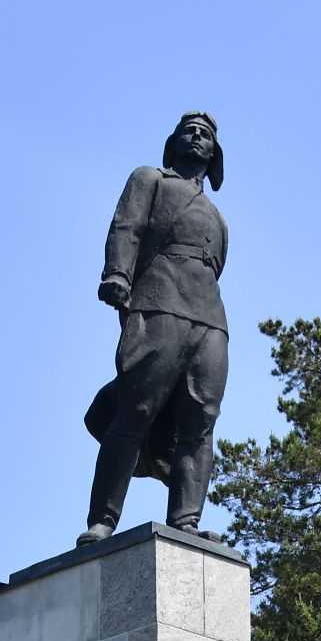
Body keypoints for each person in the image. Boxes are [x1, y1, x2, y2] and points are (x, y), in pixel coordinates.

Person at [79, 112, 229, 545]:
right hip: (160, 303)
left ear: (215, 155)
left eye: (206, 135)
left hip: (209, 319)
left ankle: (185, 521)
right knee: (137, 409)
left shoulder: (219, 219)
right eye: (189, 131)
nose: (197, 136)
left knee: (200, 419)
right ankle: (103, 519)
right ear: (173, 143)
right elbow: (127, 226)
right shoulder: (151, 180)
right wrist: (118, 275)